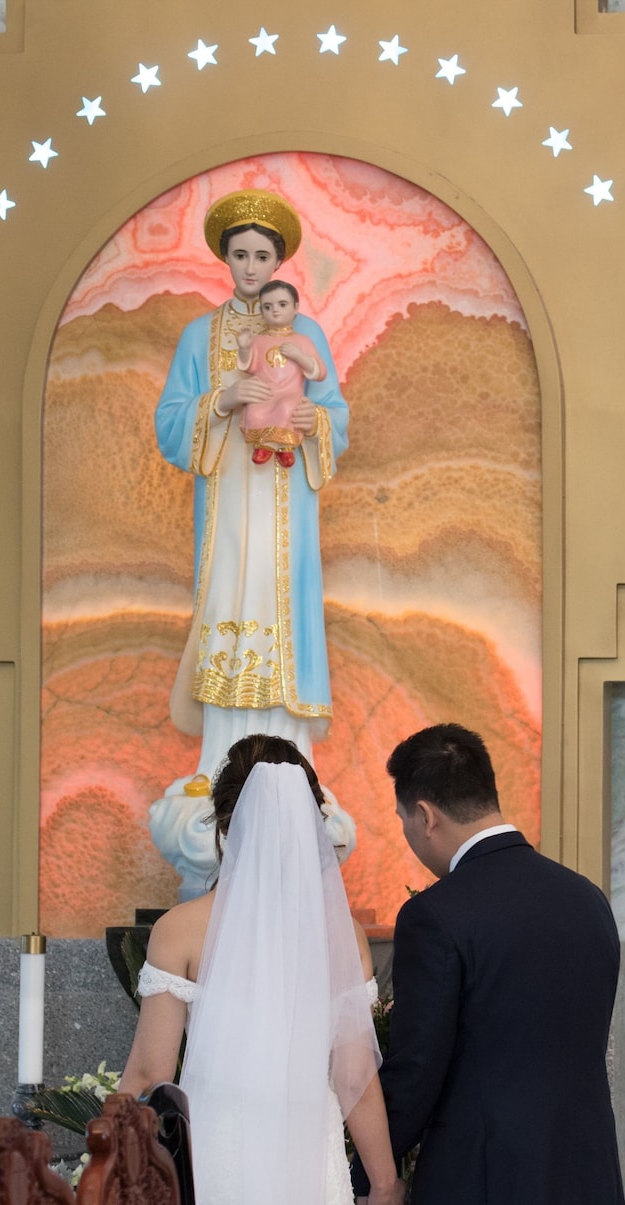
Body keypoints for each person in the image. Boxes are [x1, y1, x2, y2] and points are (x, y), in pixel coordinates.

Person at [120, 734, 405, 1205]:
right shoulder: (344, 937)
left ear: (224, 825)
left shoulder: (182, 928)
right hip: (309, 1159)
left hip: (218, 1162)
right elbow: (355, 1074)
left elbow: (149, 1071)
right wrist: (384, 1183)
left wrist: (103, 1165)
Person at [357, 724, 625, 1205]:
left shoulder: (436, 914)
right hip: (574, 1184)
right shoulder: (587, 901)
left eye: (402, 820)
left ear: (424, 814)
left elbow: (419, 1066)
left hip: (474, 1198)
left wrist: (377, 1175)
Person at [152, 191, 348, 787]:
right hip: (228, 507)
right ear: (225, 258)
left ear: (279, 262)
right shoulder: (200, 336)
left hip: (287, 503)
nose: (251, 267)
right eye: (240, 254)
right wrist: (222, 399)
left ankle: (291, 769)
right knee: (229, 601)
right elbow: (168, 421)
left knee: (279, 604)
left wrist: (318, 423)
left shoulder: (306, 330)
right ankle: (219, 764)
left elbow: (334, 409)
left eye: (263, 255)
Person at [236, 280, 325, 464]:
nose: (275, 310)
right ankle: (264, 445)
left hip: (289, 393)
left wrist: (299, 356)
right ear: (261, 311)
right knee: (254, 409)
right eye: (268, 307)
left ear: (296, 307)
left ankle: (285, 447)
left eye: (282, 305)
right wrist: (244, 348)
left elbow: (320, 373)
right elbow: (250, 367)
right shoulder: (259, 340)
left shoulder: (302, 341)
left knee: (287, 409)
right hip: (265, 391)